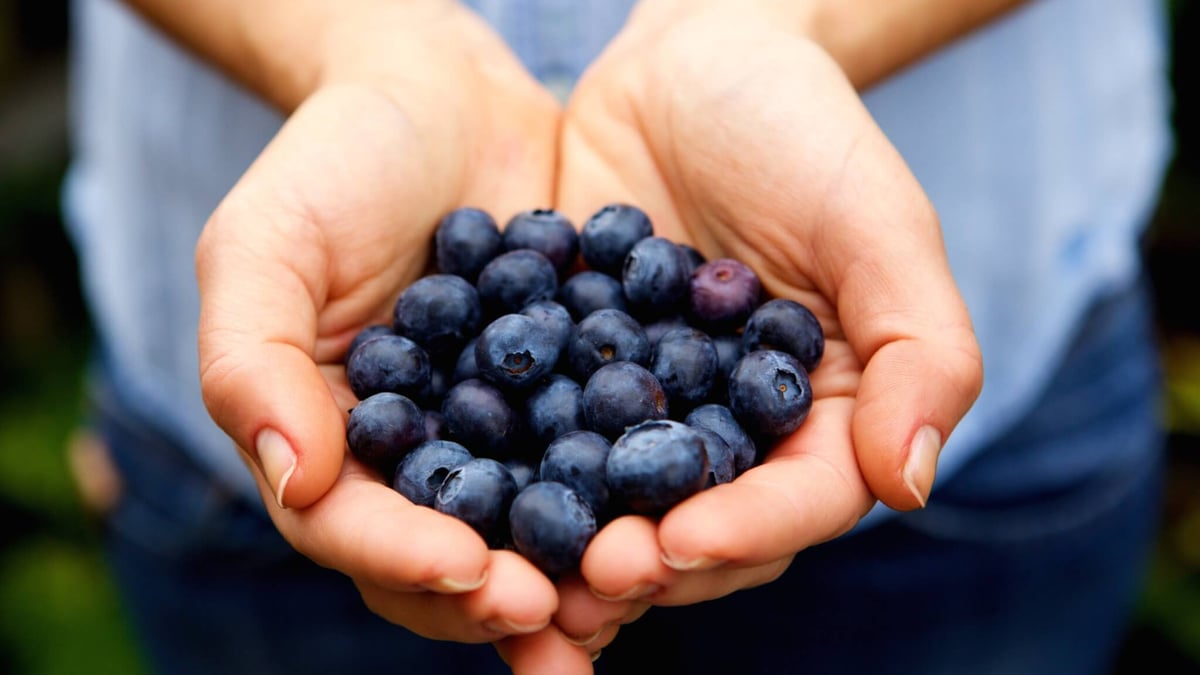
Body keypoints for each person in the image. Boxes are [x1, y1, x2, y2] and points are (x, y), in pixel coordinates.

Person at [62, 0, 1172, 673]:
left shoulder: (652, 350)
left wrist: (787, 23)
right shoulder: (480, 357)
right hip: (256, 452)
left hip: (998, 389)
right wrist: (357, 42)